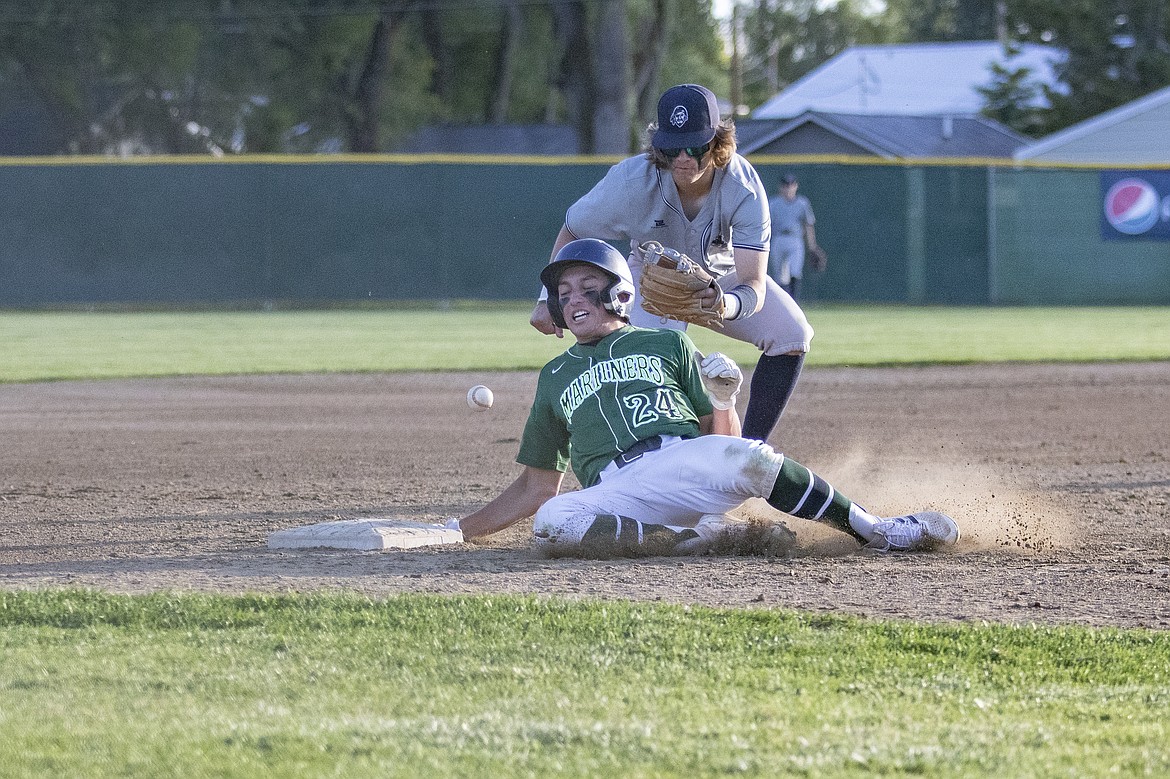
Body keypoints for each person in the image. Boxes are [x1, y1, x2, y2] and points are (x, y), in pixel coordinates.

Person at [457, 238, 960, 558]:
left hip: (681, 462)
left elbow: (721, 448)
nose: (573, 299)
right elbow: (536, 488)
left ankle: (878, 531)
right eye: (564, 293)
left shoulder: (667, 342)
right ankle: (706, 539)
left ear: (622, 295)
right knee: (552, 523)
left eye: (589, 287)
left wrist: (723, 401)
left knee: (753, 458)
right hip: (620, 496)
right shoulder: (555, 375)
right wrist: (460, 529)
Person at [529, 83, 810, 444]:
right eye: (672, 147)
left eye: (695, 146)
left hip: (721, 281)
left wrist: (728, 303)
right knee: (647, 366)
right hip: (649, 279)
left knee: (792, 335)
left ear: (717, 143)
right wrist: (547, 299)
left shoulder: (742, 187)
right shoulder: (632, 180)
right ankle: (648, 461)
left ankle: (748, 453)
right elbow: (572, 229)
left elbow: (752, 282)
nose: (683, 158)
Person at [768, 173, 820, 300]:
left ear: (796, 186)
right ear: (780, 187)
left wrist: (812, 246)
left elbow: (808, 225)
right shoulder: (773, 203)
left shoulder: (802, 203)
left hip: (795, 239)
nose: (788, 188)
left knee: (795, 271)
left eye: (791, 185)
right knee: (779, 275)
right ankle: (782, 303)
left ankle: (794, 302)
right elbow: (766, 225)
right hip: (778, 239)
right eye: (785, 185)